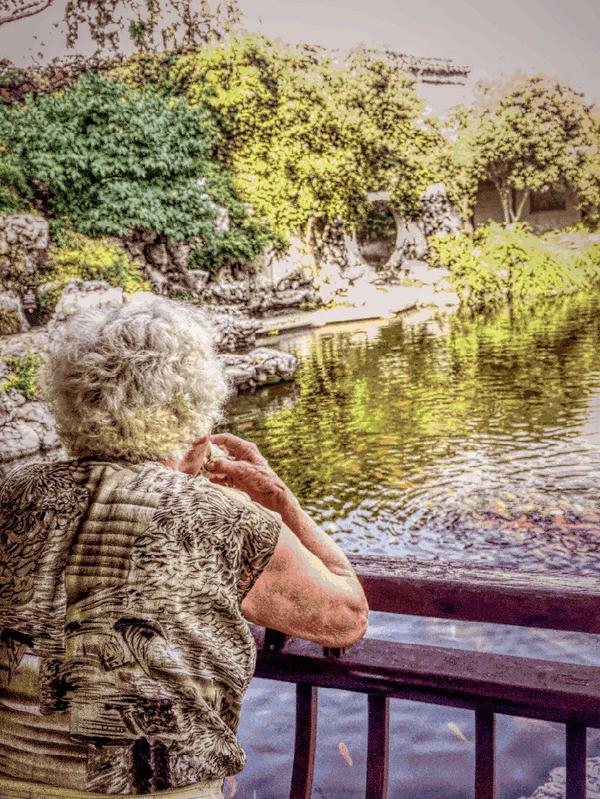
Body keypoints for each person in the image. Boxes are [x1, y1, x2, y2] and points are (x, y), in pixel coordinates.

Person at [0, 295, 368, 798]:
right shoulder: (225, 518)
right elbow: (346, 618)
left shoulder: (12, 493)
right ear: (192, 408)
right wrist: (277, 499)